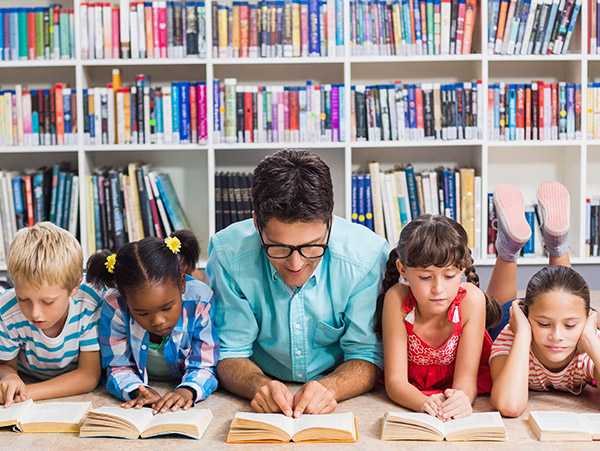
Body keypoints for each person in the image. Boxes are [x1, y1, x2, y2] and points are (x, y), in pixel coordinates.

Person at [206, 149, 389, 417]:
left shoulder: (366, 257)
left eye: (312, 247)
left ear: (329, 222)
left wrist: (333, 387)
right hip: (262, 379)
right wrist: (257, 385)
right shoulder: (227, 254)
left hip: (337, 388)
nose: (295, 265)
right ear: (257, 223)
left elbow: (368, 354)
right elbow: (230, 350)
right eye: (278, 247)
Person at [488, 181, 600, 417]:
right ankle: (518, 248)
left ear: (587, 321)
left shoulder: (586, 347)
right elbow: (509, 406)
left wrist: (590, 338)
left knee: (564, 296)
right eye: (544, 324)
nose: (557, 336)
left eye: (570, 325)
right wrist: (523, 334)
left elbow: (569, 310)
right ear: (529, 320)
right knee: (494, 317)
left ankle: (546, 245)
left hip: (573, 318)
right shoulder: (512, 338)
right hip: (516, 324)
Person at [377, 214, 500, 421]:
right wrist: (422, 402)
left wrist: (461, 400)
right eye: (425, 277)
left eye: (450, 276)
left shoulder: (472, 301)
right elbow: (395, 381)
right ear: (403, 271)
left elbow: (466, 381)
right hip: (415, 390)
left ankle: (508, 251)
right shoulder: (396, 299)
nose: (438, 289)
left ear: (462, 269)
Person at [86, 231, 219, 414]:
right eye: (142, 313)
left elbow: (204, 364)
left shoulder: (200, 301)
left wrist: (187, 390)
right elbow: (117, 365)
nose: (158, 321)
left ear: (182, 283)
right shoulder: (115, 305)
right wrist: (136, 390)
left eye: (167, 308)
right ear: (124, 298)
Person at [0, 222, 102, 405]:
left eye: (48, 302)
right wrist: (9, 377)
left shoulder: (89, 302)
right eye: (23, 299)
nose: (35, 313)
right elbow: (5, 364)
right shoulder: (6, 311)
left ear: (74, 288)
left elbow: (88, 376)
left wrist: (24, 394)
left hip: (38, 386)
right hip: (28, 375)